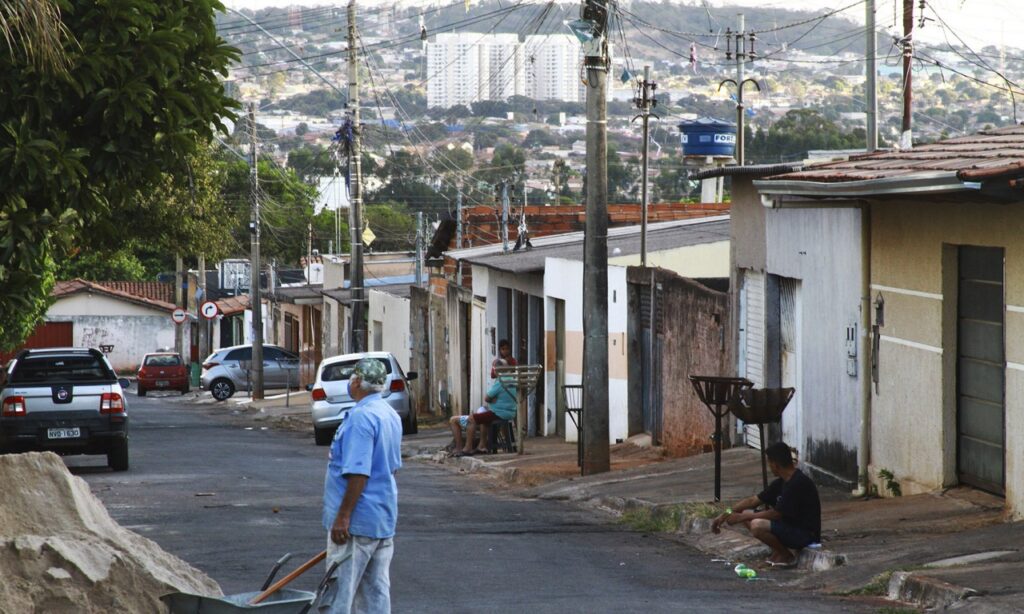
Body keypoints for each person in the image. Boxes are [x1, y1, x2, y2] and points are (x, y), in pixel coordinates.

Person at [322, 358, 403, 614]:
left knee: (339, 597)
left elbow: (358, 472)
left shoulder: (361, 417)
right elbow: (392, 467)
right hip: (382, 518)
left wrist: (343, 517)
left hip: (356, 524)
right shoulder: (389, 413)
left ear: (357, 382)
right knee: (374, 596)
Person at [710, 442, 821, 568]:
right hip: (788, 527)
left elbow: (776, 514)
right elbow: (752, 501)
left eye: (769, 463)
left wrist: (742, 518)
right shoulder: (781, 482)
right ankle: (777, 551)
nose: (769, 467)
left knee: (757, 524)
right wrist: (724, 515)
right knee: (746, 512)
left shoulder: (797, 483)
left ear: (775, 464)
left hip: (805, 535)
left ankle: (786, 556)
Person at [447, 359, 518, 457]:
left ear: (496, 370)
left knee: (472, 418)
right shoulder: (512, 379)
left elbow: (487, 398)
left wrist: (493, 400)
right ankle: (481, 446)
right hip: (509, 412)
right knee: (483, 417)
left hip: (498, 413)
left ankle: (467, 448)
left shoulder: (500, 381)